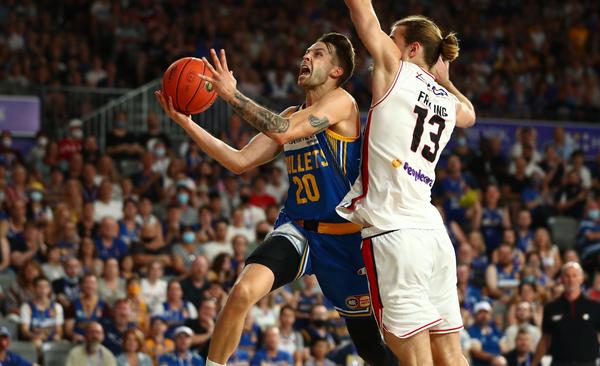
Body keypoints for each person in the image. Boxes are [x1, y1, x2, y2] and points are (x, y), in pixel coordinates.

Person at [156, 32, 395, 366]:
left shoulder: (343, 103)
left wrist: (232, 95)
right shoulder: (291, 113)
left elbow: (283, 130)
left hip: (344, 241)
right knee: (241, 292)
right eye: (307, 51)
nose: (307, 57)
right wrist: (187, 123)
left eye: (319, 53)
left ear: (337, 71)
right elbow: (238, 161)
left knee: (371, 350)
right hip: (298, 229)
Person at [336, 2, 475, 365]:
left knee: (414, 358)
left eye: (393, 38)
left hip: (394, 234)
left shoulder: (394, 69)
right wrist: (444, 80)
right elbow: (471, 115)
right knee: (451, 354)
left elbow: (361, 12)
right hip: (433, 235)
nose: (385, 43)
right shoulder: (447, 102)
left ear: (412, 49)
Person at [531, 262, 600, 366]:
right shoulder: (551, 308)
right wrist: (533, 364)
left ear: (581, 279)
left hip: (587, 363)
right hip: (560, 363)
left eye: (574, 275)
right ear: (562, 279)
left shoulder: (594, 307)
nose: (571, 280)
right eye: (567, 276)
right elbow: (545, 340)